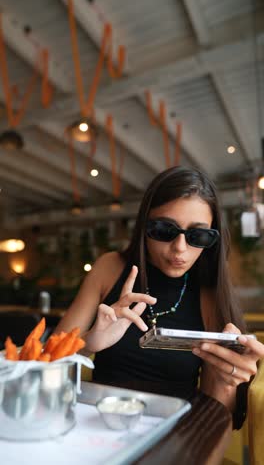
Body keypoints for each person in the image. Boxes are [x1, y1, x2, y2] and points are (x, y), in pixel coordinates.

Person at [56, 166, 264, 429]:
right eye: (165, 230)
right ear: (144, 226)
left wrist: (229, 380)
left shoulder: (209, 294)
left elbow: (218, 416)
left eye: (197, 236)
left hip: (174, 429)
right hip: (99, 421)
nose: (180, 249)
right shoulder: (110, 267)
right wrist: (89, 341)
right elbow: (47, 358)